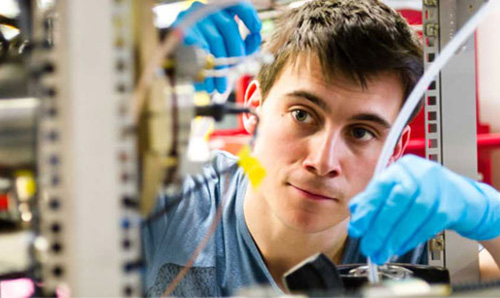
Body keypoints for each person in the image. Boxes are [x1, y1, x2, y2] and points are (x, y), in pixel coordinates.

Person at [142, 0, 500, 296]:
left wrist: (490, 218)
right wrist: (138, 72)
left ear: (395, 148)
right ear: (254, 109)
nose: (322, 161)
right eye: (302, 114)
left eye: (360, 132)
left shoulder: (407, 238)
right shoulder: (175, 202)